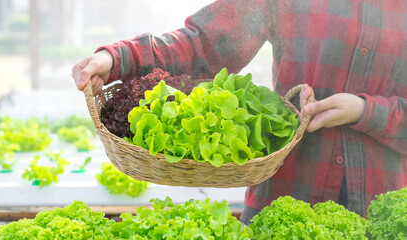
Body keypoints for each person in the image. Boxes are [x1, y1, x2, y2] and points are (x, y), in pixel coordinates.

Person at [72, 0, 407, 225]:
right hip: (284, 202)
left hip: (383, 211)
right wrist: (117, 59)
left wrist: (367, 111)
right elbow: (202, 45)